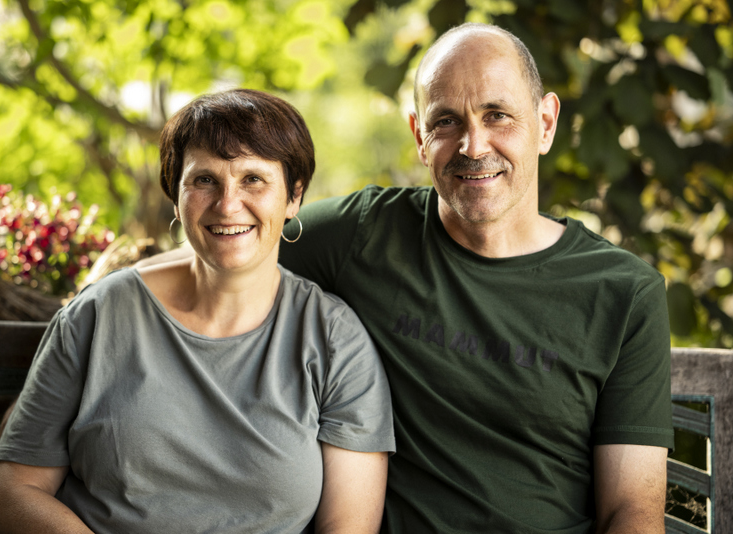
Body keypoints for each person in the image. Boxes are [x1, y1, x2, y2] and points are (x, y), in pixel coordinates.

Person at [143, 22, 673, 533]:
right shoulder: (364, 236)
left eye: (498, 116)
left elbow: (630, 512)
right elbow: (229, 239)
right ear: (419, 136)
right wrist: (107, 293)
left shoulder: (623, 293)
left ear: (547, 123)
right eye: (446, 121)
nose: (473, 145)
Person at [0, 89, 395, 534]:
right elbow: (13, 495)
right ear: (175, 195)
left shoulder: (336, 341)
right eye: (204, 180)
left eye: (253, 179)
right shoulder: (99, 316)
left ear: (293, 197)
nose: (227, 204)